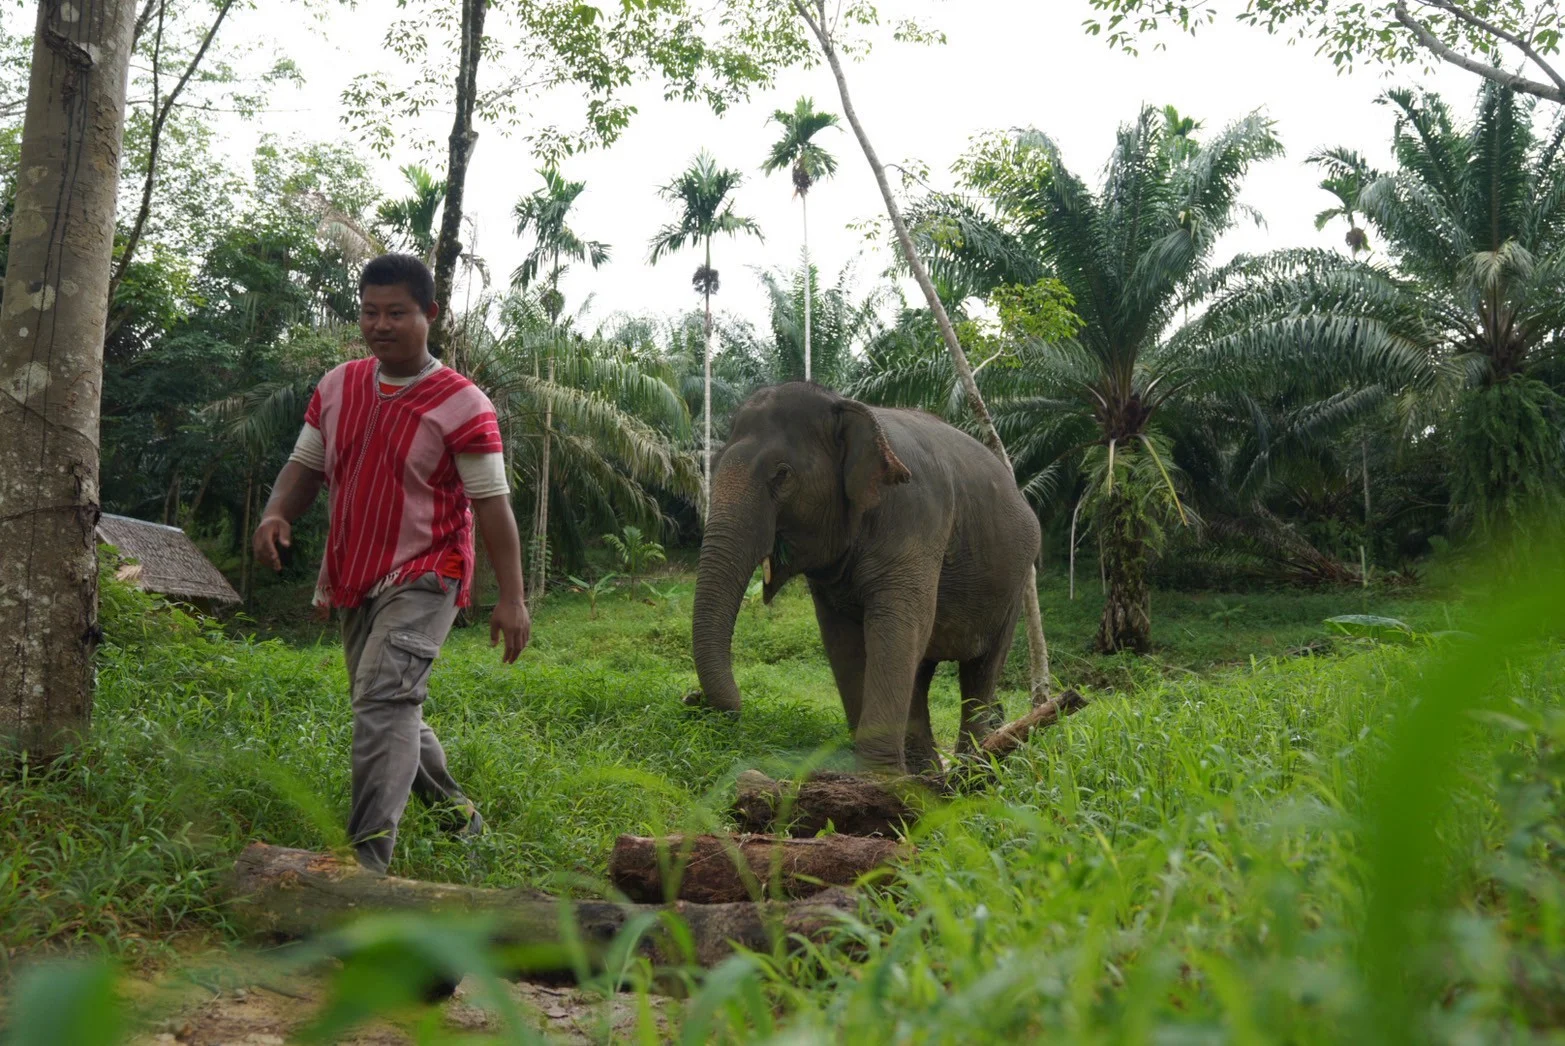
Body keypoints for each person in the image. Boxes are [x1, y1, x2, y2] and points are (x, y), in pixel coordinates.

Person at [252, 253, 530, 875]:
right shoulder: (337, 386)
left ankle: (366, 865)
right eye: (370, 312)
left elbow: (492, 507)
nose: (380, 325)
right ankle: (461, 815)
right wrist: (277, 513)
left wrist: (511, 597)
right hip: (353, 571)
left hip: (428, 571)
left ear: (430, 315)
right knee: (388, 702)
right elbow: (306, 465)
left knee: (382, 703)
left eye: (397, 313)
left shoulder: (464, 404)